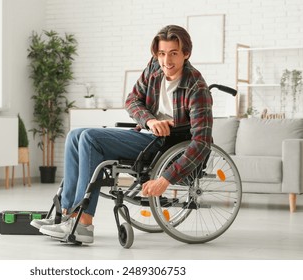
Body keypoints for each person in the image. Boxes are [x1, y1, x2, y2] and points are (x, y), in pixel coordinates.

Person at [32, 25, 213, 244]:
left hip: (167, 146)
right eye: (162, 53)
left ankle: (84, 223)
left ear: (186, 53)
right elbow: (132, 100)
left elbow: (202, 142)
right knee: (74, 135)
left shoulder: (196, 87)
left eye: (173, 53)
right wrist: (150, 120)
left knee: (90, 138)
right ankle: (66, 214)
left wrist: (166, 179)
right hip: (148, 134)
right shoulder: (154, 67)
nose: (166, 61)